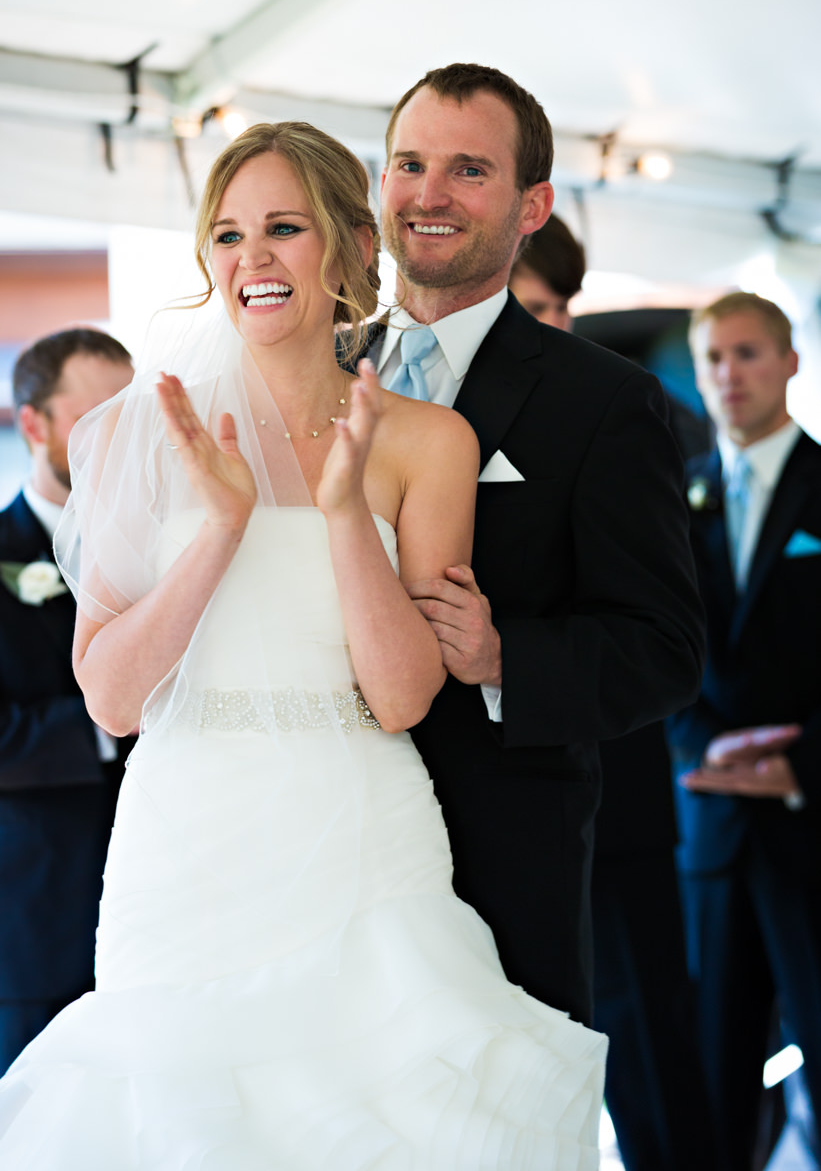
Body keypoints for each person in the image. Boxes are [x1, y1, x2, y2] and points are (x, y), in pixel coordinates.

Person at [0, 121, 606, 1168]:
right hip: (185, 847)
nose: (253, 260)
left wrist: (339, 517)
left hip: (358, 836)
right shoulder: (139, 432)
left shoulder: (425, 440)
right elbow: (109, 698)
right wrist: (219, 534)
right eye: (228, 235)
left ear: (347, 245)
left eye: (283, 227)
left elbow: (403, 696)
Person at [373, 62, 705, 1027]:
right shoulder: (314, 368)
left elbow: (663, 649)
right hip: (320, 835)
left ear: (531, 207)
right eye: (408, 163)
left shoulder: (604, 401)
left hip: (500, 864)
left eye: (468, 171)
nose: (429, 195)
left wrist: (503, 657)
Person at [509, 219, 716, 1170]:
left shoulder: (622, 411)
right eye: (529, 306)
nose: (543, 325)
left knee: (648, 1035)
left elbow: (662, 634)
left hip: (616, 792)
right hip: (484, 810)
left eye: (554, 308)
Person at [668, 291, 821, 1171]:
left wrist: (798, 762)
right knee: (716, 1083)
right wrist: (700, 748)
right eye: (714, 357)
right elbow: (656, 645)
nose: (729, 374)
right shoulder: (674, 497)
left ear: (791, 361)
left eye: (749, 353)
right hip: (711, 836)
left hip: (811, 828)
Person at [0, 328, 134, 1075]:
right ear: (34, 425)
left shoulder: (165, 557)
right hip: (37, 919)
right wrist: (113, 722)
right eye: (98, 420)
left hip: (162, 907)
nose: (121, 442)